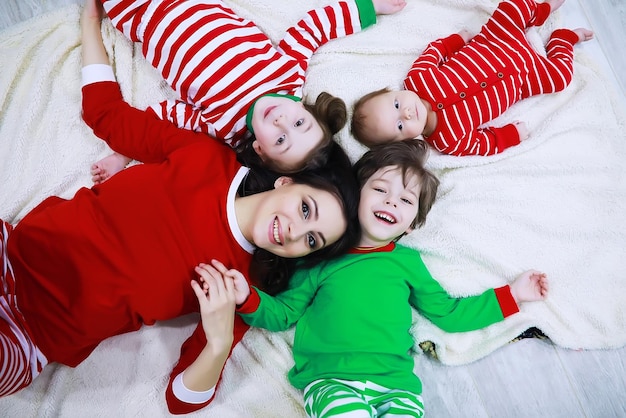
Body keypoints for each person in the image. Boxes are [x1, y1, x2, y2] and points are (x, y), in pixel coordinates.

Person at [0, 1, 360, 414]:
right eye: (306, 209)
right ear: (286, 181)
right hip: (15, 251)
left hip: (32, 334)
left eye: (312, 240)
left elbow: (182, 401)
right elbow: (106, 115)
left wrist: (220, 337)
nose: (295, 231)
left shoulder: (238, 287)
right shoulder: (205, 155)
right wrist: (89, 21)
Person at [196, 139, 550, 417]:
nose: (391, 202)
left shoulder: (408, 263)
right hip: (331, 380)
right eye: (380, 190)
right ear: (357, 194)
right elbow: (283, 313)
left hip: (396, 385)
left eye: (406, 200)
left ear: (412, 224)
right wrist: (247, 298)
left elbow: (449, 313)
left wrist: (513, 296)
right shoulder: (321, 256)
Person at [90, 0, 407, 183]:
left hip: (142, 18)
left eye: (281, 140)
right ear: (307, 110)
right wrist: (370, 7)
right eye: (300, 123)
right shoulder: (289, 75)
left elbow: (166, 116)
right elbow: (313, 27)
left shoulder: (224, 128)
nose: (283, 122)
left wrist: (122, 154)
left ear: (260, 151)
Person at [351, 0, 594, 156]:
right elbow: (483, 143)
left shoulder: (417, 80)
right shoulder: (447, 141)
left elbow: (435, 51)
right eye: (400, 125)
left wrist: (458, 39)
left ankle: (542, 11)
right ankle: (563, 39)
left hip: (496, 41)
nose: (405, 113)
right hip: (524, 79)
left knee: (511, 7)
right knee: (560, 78)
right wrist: (510, 135)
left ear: (393, 91)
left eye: (396, 104)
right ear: (405, 141)